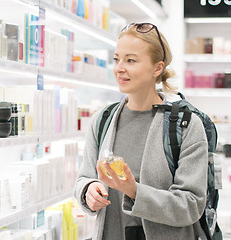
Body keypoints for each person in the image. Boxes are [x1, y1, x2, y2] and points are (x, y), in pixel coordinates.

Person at [74, 23, 208, 240]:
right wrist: (88, 190)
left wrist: (134, 191)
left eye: (130, 60)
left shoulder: (185, 125)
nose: (119, 68)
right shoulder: (103, 120)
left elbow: (191, 205)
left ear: (157, 68)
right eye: (117, 59)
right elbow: (84, 178)